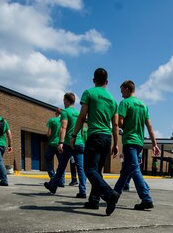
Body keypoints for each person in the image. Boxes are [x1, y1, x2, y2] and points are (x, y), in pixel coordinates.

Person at [69, 68, 120, 215]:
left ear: (93, 80)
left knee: (89, 169)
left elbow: (81, 116)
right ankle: (94, 200)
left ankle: (110, 195)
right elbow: (115, 125)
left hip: (95, 136)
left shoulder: (89, 93)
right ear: (107, 82)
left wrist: (73, 135)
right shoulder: (113, 100)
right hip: (107, 138)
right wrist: (116, 143)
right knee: (97, 171)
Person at [113, 80, 161, 210]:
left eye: (122, 91)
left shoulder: (125, 103)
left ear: (128, 89)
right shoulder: (143, 105)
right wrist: (154, 144)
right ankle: (114, 194)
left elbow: (120, 122)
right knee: (125, 172)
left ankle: (146, 199)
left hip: (129, 141)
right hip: (139, 142)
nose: (121, 95)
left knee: (134, 170)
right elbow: (149, 126)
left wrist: (117, 123)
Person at [44, 92, 87, 199]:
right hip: (79, 143)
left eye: (64, 100)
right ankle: (82, 191)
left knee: (61, 167)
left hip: (68, 143)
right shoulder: (78, 113)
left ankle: (53, 186)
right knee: (80, 168)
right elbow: (82, 129)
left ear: (67, 101)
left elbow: (63, 127)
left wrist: (61, 142)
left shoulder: (65, 112)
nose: (63, 102)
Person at [45, 108, 64, 187]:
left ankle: (53, 176)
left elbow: (48, 134)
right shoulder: (64, 121)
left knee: (47, 158)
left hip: (52, 144)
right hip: (61, 144)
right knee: (61, 163)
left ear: (55, 113)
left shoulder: (52, 120)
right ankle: (61, 181)